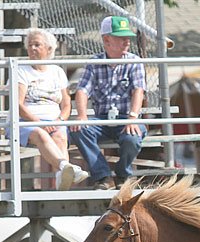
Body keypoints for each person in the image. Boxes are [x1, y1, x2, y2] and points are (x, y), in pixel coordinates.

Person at [70, 16, 146, 190]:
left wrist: (132, 117)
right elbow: (82, 90)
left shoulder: (134, 61)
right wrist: (81, 116)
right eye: (121, 37)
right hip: (102, 120)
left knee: (132, 137)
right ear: (106, 39)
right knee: (78, 129)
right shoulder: (94, 62)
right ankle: (103, 176)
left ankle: (122, 174)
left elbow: (138, 90)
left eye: (128, 37)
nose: (127, 41)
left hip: (127, 118)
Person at [15, 28, 88, 190]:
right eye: (30, 45)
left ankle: (61, 178)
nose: (32, 48)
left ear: (49, 49)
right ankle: (66, 167)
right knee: (41, 134)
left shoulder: (57, 71)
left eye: (37, 45)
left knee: (60, 137)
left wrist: (59, 120)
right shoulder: (21, 70)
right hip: (26, 121)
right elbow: (18, 105)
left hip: (54, 120)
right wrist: (40, 122)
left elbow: (67, 104)